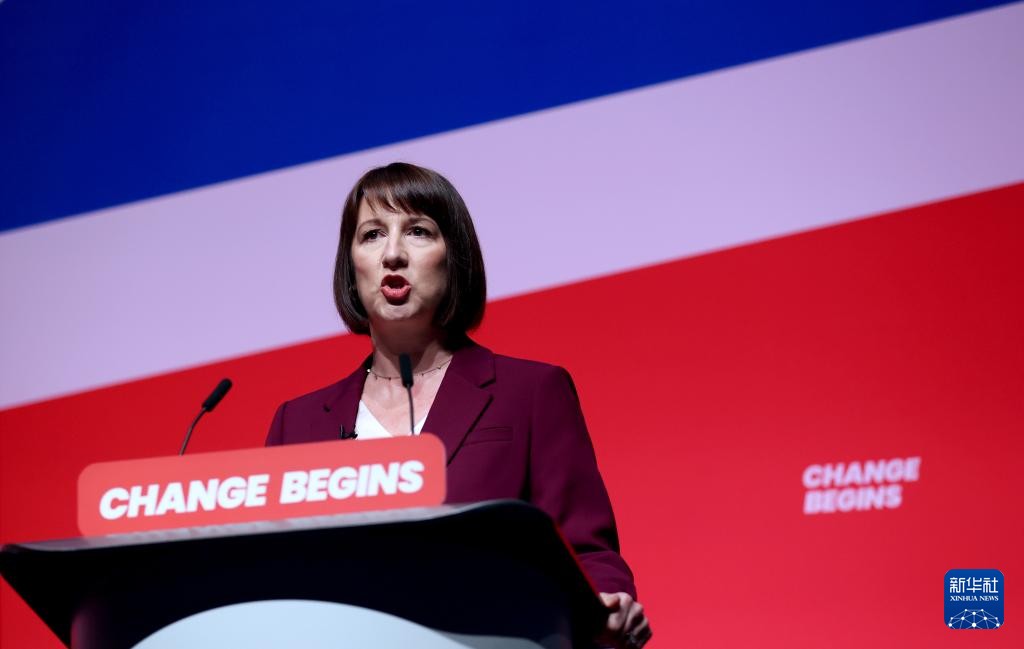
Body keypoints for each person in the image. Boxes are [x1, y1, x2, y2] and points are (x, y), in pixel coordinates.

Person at [265, 162, 652, 648]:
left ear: (454, 258)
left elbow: (587, 552)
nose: (392, 254)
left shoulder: (530, 393)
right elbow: (269, 576)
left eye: (418, 231)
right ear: (351, 264)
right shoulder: (298, 424)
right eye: (372, 235)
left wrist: (608, 602)